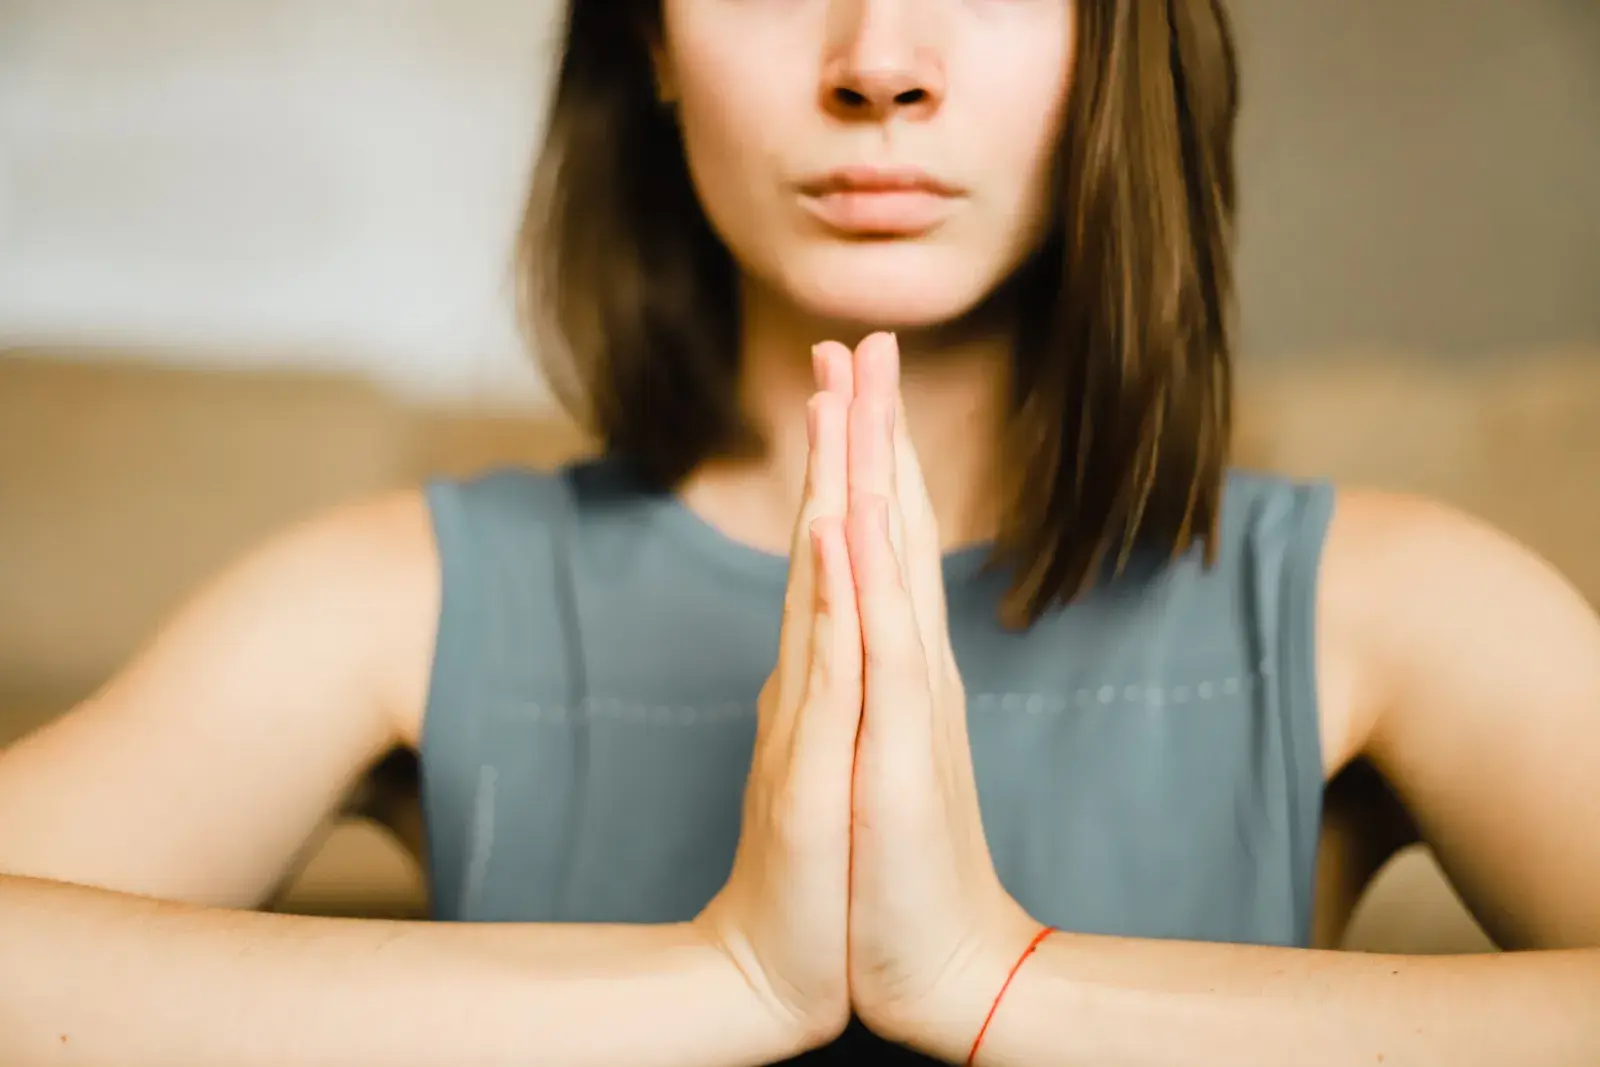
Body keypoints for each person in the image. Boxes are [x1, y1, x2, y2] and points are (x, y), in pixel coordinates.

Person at [2, 1, 1597, 1063]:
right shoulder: (393, 596)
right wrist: (717, 980)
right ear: (650, 33)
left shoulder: (1388, 601)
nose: (878, 61)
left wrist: (997, 979)